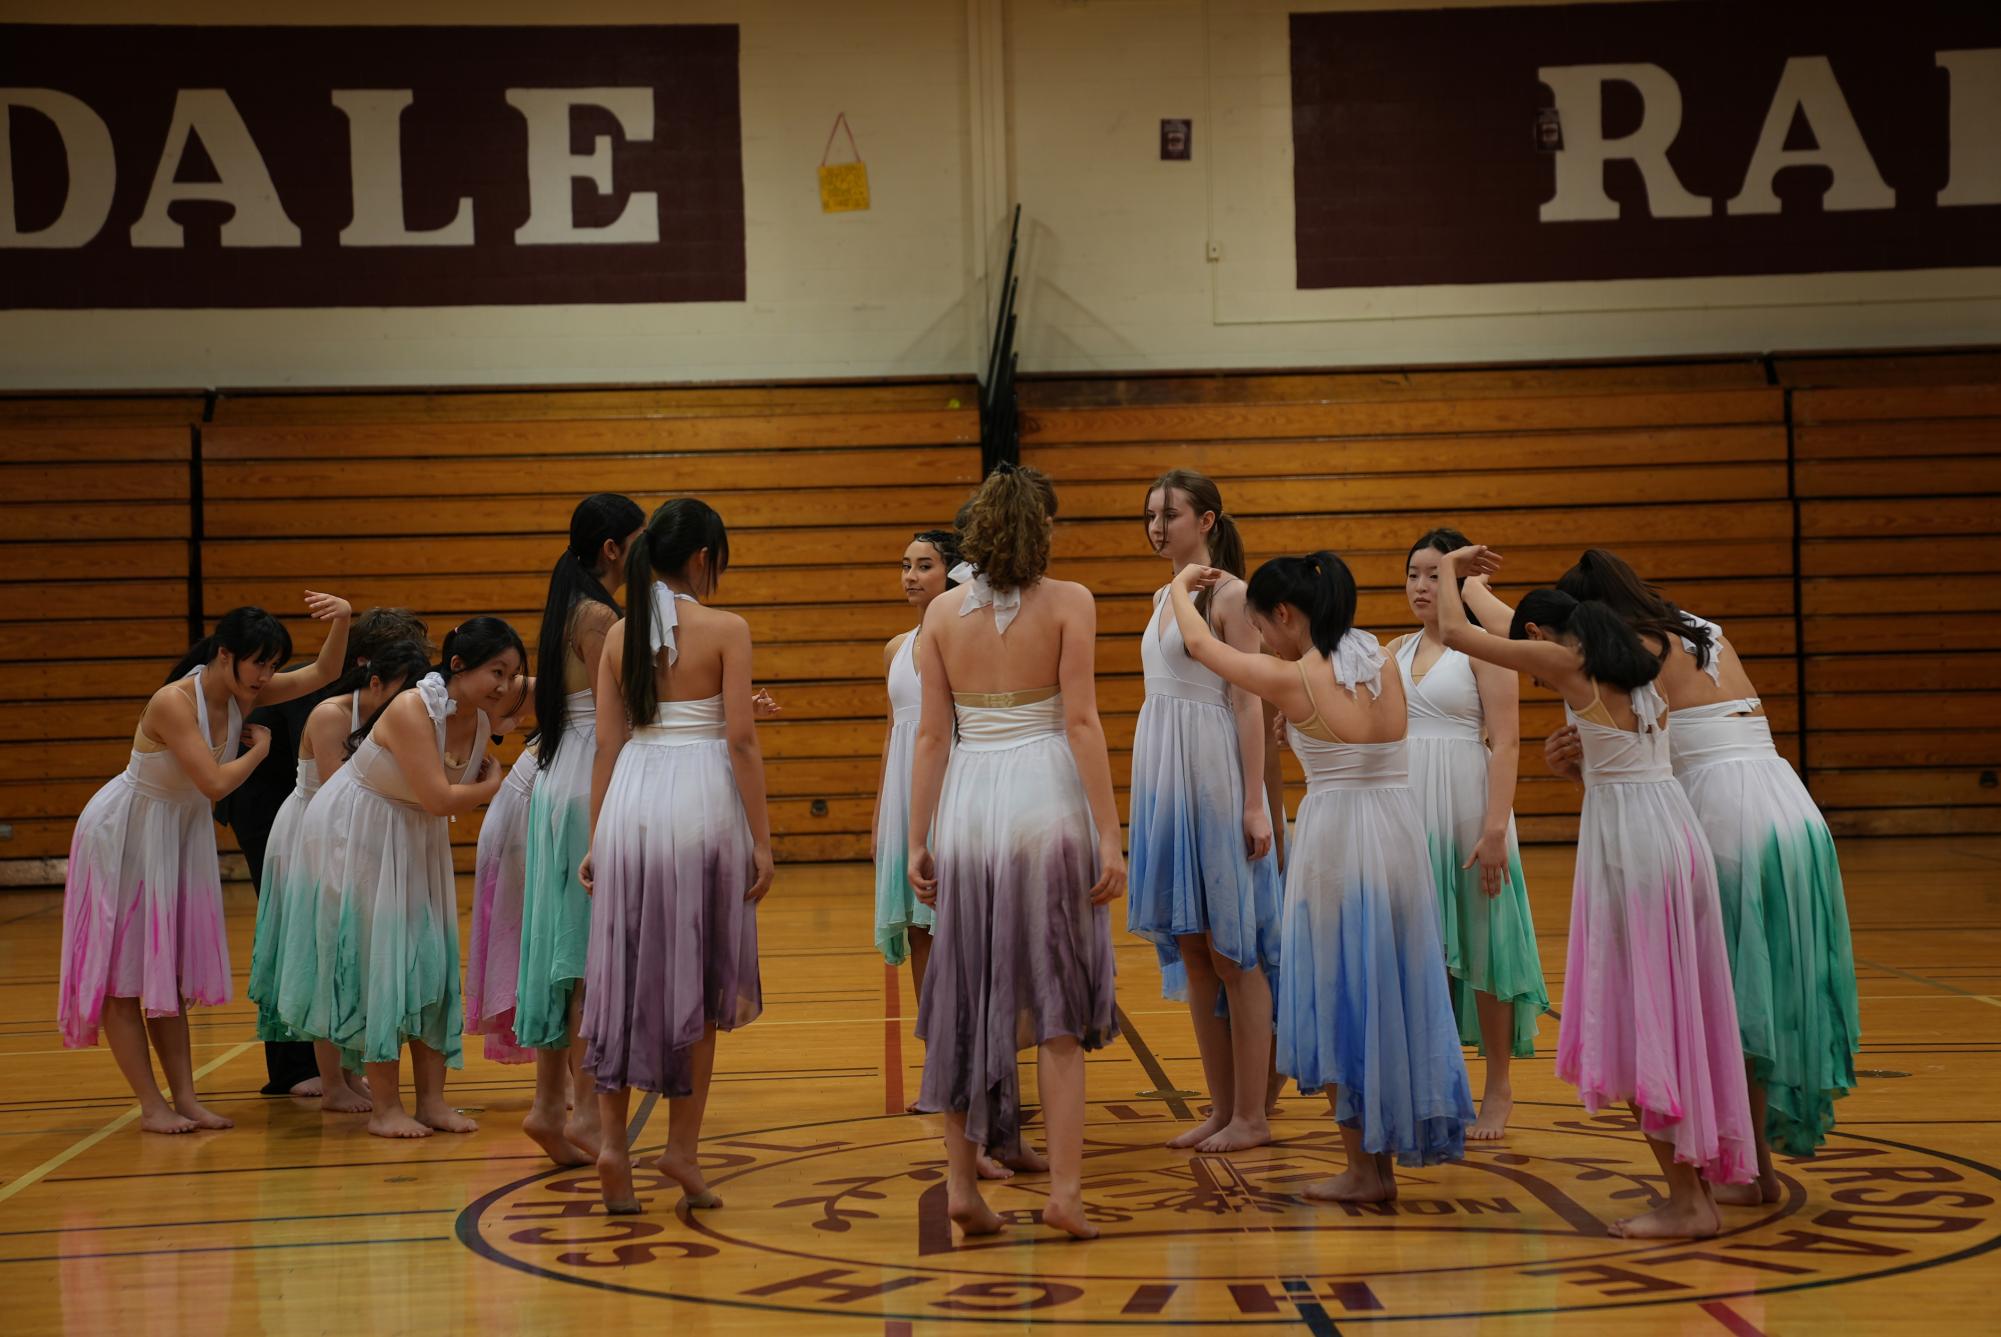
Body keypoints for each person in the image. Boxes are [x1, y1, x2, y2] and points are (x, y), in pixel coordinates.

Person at [1436, 549, 1755, 1238]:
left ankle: (1688, 1200)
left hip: (1633, 850)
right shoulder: (1640, 673)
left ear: (1541, 640)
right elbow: (1620, 766)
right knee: (1679, 1019)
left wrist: (1447, 572)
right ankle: (1698, 1181)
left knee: (1645, 1021)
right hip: (1672, 833)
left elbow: (1460, 633)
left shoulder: (1569, 665)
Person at [1543, 549, 1858, 1202]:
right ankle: (1754, 1168)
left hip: (1724, 818)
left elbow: (1623, 780)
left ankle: (1741, 1170)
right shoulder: (1701, 629)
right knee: (1763, 998)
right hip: (1791, 810)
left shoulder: (1618, 652)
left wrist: (1573, 765)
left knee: (1727, 1003)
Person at [1170, 552, 1471, 1202]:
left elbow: (1197, 644)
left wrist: (1178, 586)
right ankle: (1377, 1160)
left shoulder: (1294, 676)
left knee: (1341, 996)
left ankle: (1364, 1169)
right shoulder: (1380, 659)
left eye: (1263, 626)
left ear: (1283, 613)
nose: (1263, 640)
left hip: (1339, 840)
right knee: (1392, 992)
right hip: (1398, 834)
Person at [907, 463, 1125, 1241]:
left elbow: (932, 735)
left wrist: (915, 837)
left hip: (967, 803)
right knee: (1059, 1007)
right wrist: (1109, 832)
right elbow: (1080, 723)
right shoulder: (1070, 602)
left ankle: (961, 1184)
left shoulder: (938, 615)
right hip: (1044, 800)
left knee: (965, 996)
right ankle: (1063, 1193)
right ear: (1043, 529)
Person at [59, 595, 352, 1133]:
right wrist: (262, 749)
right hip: (126, 833)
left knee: (165, 974)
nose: (266, 676)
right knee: (124, 979)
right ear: (224, 655)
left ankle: (186, 1099)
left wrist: (342, 618)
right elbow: (215, 784)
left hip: (175, 832)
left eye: (272, 664)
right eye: (258, 662)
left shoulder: (244, 692)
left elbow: (325, 671)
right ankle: (152, 1106)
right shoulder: (174, 701)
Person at [581, 499, 773, 1214]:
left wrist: (597, 837)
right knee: (699, 977)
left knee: (622, 978)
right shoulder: (726, 628)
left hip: (631, 798)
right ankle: (681, 1150)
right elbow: (741, 741)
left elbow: (605, 743)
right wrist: (762, 837)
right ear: (701, 559)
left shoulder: (618, 634)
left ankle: (610, 1145)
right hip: (698, 802)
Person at [291, 618, 521, 1139]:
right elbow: (441, 798)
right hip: (360, 833)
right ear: (457, 665)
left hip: (415, 835)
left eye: (512, 675)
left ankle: (433, 1102)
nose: (505, 686)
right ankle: (385, 1109)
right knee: (384, 963)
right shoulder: (412, 707)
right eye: (496, 671)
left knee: (432, 961)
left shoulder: (484, 714)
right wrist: (495, 785)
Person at [1127, 470, 1281, 1152]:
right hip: (1165, 775)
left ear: (1207, 520)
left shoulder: (1231, 594)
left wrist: (1254, 803)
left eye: (1171, 513)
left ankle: (1253, 1114)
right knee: (1194, 949)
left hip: (1213, 774)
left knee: (1232, 952)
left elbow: (1248, 699)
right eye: (1150, 514)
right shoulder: (1167, 593)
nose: (1158, 525)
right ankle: (1221, 1109)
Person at [220, 605, 430, 1096]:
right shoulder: (324, 701)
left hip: (329, 813)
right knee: (300, 939)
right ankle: (297, 1070)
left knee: (334, 941)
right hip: (278, 810)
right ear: (368, 668)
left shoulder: (377, 699)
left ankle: (343, 1066)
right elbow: (340, 783)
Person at [1393, 528, 1549, 1138]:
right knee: (1419, 946)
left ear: (1460, 583)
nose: (1421, 586)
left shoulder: (1487, 647)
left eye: (1435, 574)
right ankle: (1430, 1077)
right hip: (1408, 808)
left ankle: (1499, 1087)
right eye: (1413, 574)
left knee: (1486, 949)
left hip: (1470, 805)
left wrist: (1493, 830)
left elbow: (1507, 741)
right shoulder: (1393, 651)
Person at [517, 493, 645, 1164]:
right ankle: (590, 1113)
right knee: (588, 959)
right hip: (589, 777)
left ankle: (548, 1106)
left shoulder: (567, 603)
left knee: (564, 954)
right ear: (612, 549)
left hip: (558, 772)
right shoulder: (598, 615)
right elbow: (623, 710)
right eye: (639, 539)